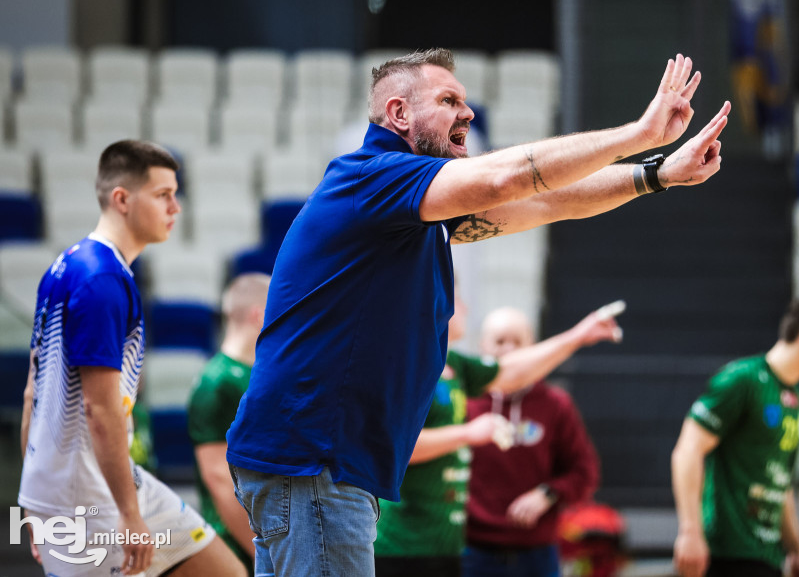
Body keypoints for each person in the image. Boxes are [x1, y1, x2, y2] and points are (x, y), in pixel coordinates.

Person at [227, 48, 731, 575]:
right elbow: (505, 180)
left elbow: (548, 201)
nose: (467, 113)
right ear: (399, 115)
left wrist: (657, 174)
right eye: (449, 101)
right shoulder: (374, 175)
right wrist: (638, 134)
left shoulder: (412, 212)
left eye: (465, 101)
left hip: (317, 465)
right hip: (314, 462)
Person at [18, 140, 245, 577]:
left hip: (107, 480)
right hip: (85, 496)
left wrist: (31, 494)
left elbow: (33, 393)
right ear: (122, 199)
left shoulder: (67, 265)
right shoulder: (100, 279)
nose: (175, 208)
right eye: (163, 195)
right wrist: (127, 514)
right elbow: (97, 408)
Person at [374, 292, 615, 577]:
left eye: (518, 342)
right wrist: (467, 433)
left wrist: (577, 336)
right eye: (457, 299)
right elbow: (393, 446)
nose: (463, 306)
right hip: (414, 546)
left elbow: (510, 373)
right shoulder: (411, 363)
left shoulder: (462, 368)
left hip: (460, 548)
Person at [671, 300, 799, 577]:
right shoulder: (743, 380)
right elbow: (687, 450)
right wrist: (690, 531)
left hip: (766, 556)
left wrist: (797, 551)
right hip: (727, 555)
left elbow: (781, 483)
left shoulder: (794, 396)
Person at [462, 306, 601, 577]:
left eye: (518, 342)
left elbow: (585, 472)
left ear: (534, 346)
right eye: (500, 341)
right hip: (470, 549)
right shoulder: (464, 401)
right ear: (482, 346)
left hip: (536, 551)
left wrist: (548, 493)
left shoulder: (555, 404)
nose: (509, 350)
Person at [187, 273, 271, 575]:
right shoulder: (216, 381)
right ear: (258, 314)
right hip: (237, 544)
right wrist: (260, 552)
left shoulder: (258, 374)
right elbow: (219, 479)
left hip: (269, 535)